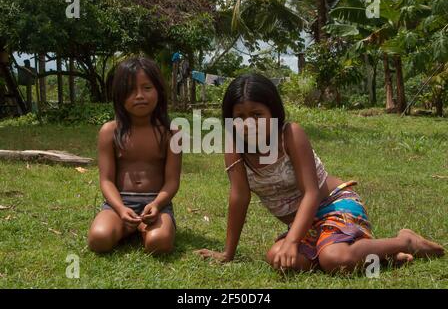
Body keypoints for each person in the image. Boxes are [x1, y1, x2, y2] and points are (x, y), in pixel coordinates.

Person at [196, 73, 445, 273]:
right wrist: (227, 253)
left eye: (257, 115)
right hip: (306, 223)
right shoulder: (234, 149)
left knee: (332, 258)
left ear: (273, 112)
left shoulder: (290, 135)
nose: (248, 124)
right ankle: (374, 256)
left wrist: (293, 241)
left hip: (334, 204)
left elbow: (311, 194)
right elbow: (239, 198)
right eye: (239, 117)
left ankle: (405, 242)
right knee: (279, 259)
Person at [88, 57, 181, 255]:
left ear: (159, 91)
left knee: (159, 243)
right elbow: (106, 180)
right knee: (98, 239)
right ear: (120, 96)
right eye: (130, 90)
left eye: (147, 88)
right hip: (119, 203)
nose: (139, 95)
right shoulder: (109, 131)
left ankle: (143, 228)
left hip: (157, 205)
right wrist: (121, 209)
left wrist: (156, 205)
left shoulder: (171, 133)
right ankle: (125, 225)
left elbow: (172, 181)